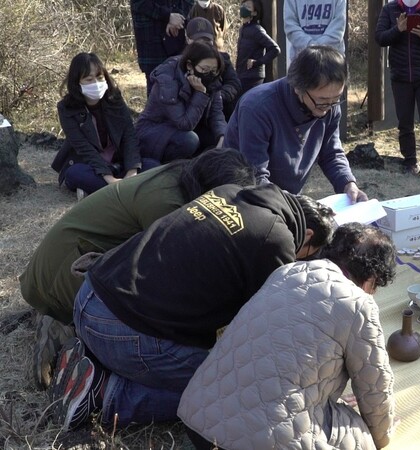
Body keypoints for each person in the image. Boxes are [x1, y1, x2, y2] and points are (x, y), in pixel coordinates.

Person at [48, 184, 335, 431]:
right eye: (308, 256)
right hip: (121, 330)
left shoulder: (230, 192)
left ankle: (94, 361)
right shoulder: (277, 241)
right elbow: (267, 328)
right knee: (233, 390)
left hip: (90, 296)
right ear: (307, 236)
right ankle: (104, 394)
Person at [21, 148, 254, 390]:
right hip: (65, 270)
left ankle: (60, 317)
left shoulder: (176, 177)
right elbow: (170, 280)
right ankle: (63, 322)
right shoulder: (169, 206)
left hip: (63, 260)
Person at [179, 222, 397, 450]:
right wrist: (383, 437)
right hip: (260, 441)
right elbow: (375, 388)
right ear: (372, 279)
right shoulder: (358, 303)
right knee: (357, 432)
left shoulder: (286, 271)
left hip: (198, 418)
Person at [225, 46, 367, 201]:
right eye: (322, 101)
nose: (328, 108)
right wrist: (298, 207)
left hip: (284, 197)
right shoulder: (257, 107)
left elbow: (331, 154)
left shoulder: (329, 105)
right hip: (238, 196)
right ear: (298, 88)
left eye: (336, 99)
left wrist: (348, 184)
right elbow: (255, 176)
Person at [51, 53, 159, 200]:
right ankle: (124, 189)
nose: (95, 83)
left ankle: (106, 189)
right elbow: (82, 147)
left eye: (99, 77)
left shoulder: (114, 98)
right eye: (89, 79)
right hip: (89, 164)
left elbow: (129, 134)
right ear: (77, 83)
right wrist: (110, 179)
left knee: (153, 166)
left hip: (118, 162)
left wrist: (132, 172)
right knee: (73, 174)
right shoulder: (66, 108)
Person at [376, 0, 420, 180]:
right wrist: (397, 29)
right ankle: (409, 162)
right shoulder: (390, 9)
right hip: (400, 76)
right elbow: (380, 38)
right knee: (405, 122)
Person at [136, 41, 227, 163]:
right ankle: (169, 165)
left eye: (214, 70)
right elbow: (184, 123)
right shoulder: (168, 82)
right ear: (190, 66)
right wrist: (201, 93)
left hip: (186, 126)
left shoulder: (211, 80)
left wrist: (223, 136)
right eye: (204, 69)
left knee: (219, 139)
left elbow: (216, 114)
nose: (209, 74)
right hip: (155, 131)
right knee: (190, 140)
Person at [130, 0, 195, 94]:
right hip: (152, 45)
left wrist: (177, 17)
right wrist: (167, 16)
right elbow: (139, 3)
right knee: (156, 94)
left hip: (177, 40)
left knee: (182, 91)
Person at [185, 17, 242, 120]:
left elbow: (234, 83)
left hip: (220, 111)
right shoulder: (181, 62)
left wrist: (219, 97)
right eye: (198, 41)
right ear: (188, 40)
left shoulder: (223, 59)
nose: (203, 45)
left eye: (207, 41)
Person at [236, 0, 281, 94]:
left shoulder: (257, 30)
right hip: (242, 75)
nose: (243, 8)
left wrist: (258, 62)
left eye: (248, 6)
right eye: (243, 5)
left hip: (253, 78)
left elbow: (275, 49)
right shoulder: (242, 29)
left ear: (254, 12)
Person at [283, 0, 346, 67]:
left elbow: (338, 28)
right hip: (301, 62)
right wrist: (311, 47)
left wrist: (316, 48)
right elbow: (291, 27)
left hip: (332, 61)